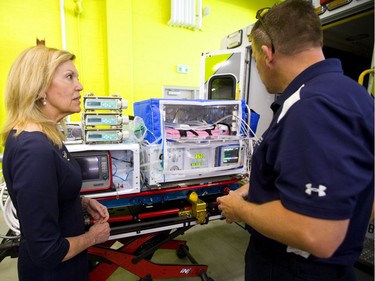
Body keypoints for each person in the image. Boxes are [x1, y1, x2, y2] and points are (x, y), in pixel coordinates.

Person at [217, 1, 374, 280]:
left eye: (254, 58)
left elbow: (317, 233)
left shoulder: (310, 107)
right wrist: (257, 189)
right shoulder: (358, 95)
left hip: (293, 269)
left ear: (268, 54)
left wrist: (240, 208)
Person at [1, 46, 111, 281]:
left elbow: (49, 190)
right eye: (69, 77)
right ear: (40, 88)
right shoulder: (34, 150)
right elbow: (47, 251)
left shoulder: (46, 136)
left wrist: (80, 202)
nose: (79, 86)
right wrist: (93, 236)